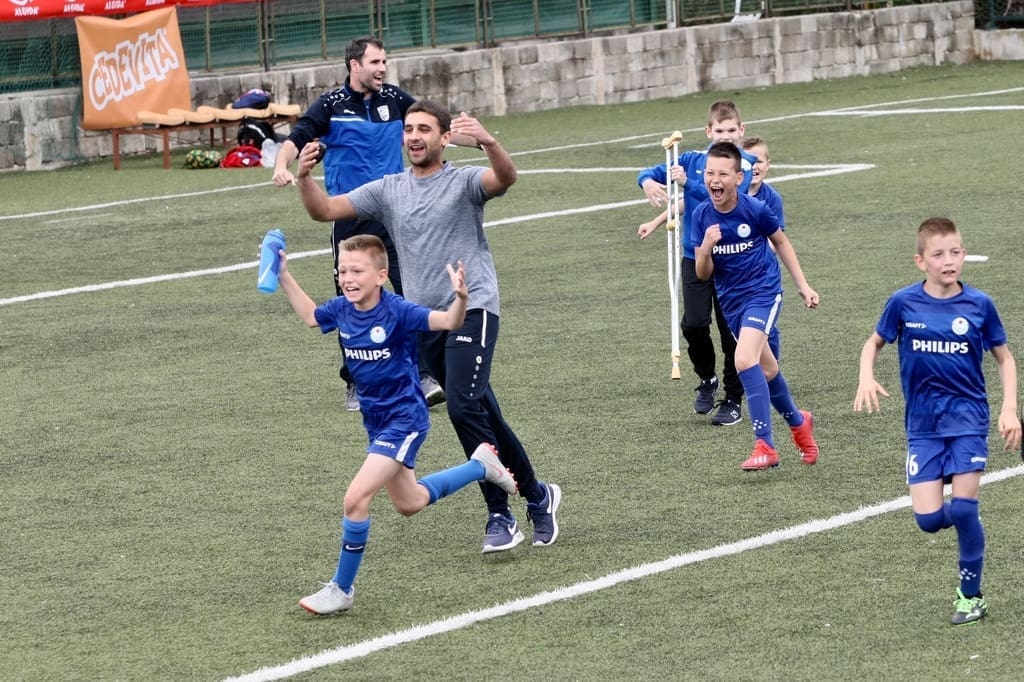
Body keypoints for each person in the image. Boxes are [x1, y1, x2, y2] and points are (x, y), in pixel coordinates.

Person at [294, 100, 561, 553]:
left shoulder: (463, 182)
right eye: (409, 129)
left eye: (424, 129)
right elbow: (325, 210)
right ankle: (538, 495)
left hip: (472, 307)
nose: (414, 136)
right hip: (425, 321)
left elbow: (505, 178)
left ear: (444, 138)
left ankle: (499, 513)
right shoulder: (389, 189)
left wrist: (489, 142)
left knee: (461, 405)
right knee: (483, 412)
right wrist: (304, 177)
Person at [275, 234, 519, 615]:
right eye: (342, 271)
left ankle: (342, 589)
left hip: (405, 421)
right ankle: (481, 465)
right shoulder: (342, 309)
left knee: (355, 499)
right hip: (376, 423)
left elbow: (448, 321)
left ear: (381, 276)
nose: (347, 278)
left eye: (357, 271)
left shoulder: (398, 311)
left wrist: (461, 298)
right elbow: (311, 317)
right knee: (410, 502)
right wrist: (283, 274)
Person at [854, 217, 1020, 625]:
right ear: (920, 261)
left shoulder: (979, 305)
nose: (949, 261)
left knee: (963, 507)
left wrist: (1009, 408)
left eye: (956, 252)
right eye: (939, 254)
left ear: (964, 254)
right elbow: (874, 343)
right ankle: (967, 519)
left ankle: (970, 596)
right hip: (923, 427)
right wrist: (866, 376)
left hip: (968, 421)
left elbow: (1004, 358)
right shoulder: (903, 303)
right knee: (928, 521)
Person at [270, 36, 443, 411]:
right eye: (376, 62)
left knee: (414, 292)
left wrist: (475, 139)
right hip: (348, 217)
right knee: (354, 300)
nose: (383, 69)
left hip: (394, 214)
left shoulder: (394, 99)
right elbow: (297, 137)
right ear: (355, 65)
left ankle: (425, 375)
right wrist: (282, 165)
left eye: (384, 62)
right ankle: (356, 382)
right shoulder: (330, 105)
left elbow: (431, 124)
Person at [691, 142, 820, 471]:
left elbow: (781, 242)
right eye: (709, 173)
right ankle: (799, 422)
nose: (714, 180)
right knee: (767, 370)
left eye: (723, 174)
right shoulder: (701, 215)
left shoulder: (755, 209)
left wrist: (803, 285)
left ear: (738, 178)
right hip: (732, 303)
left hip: (764, 293)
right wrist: (705, 248)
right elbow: (703, 274)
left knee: (743, 359)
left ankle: (765, 444)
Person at [637, 100, 757, 427]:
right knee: (693, 324)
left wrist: (688, 184)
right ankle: (707, 378)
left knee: (730, 332)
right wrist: (647, 181)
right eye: (719, 130)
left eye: (731, 130)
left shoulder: (744, 165)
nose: (725, 136)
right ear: (708, 132)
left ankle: (733, 398)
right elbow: (650, 171)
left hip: (731, 258)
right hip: (695, 256)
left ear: (741, 131)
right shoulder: (690, 160)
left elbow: (727, 197)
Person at [742, 136, 785, 362]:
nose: (754, 167)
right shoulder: (730, 195)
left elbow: (777, 240)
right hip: (734, 277)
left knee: (767, 328)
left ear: (768, 164)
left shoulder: (772, 199)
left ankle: (772, 369)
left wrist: (751, 251)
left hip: (762, 276)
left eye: (758, 161)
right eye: (748, 161)